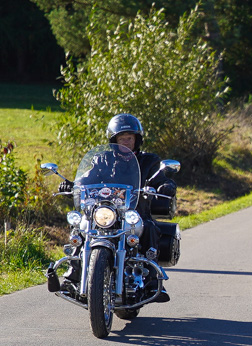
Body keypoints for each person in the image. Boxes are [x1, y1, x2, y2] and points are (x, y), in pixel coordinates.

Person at [57, 113, 175, 301]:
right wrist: (73, 184)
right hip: (106, 212)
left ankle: (153, 281)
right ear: (114, 140)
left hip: (134, 212)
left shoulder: (149, 161)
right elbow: (87, 178)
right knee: (82, 228)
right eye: (122, 138)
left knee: (150, 227)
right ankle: (73, 275)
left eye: (130, 138)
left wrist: (165, 186)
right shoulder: (103, 159)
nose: (126, 142)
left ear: (137, 139)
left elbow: (161, 178)